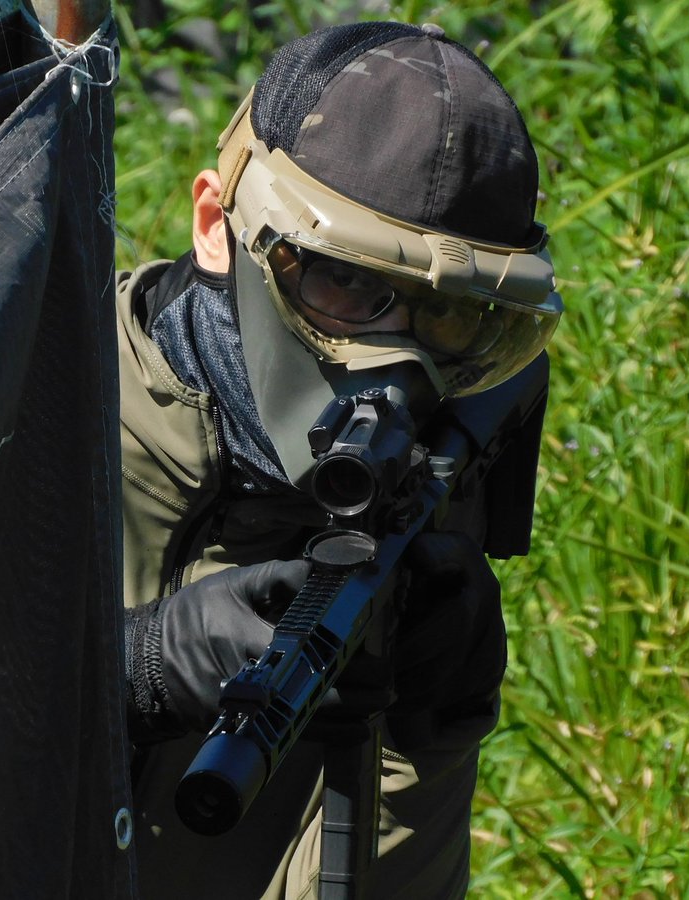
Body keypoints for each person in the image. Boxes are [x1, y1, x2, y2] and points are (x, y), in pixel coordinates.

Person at [115, 20, 562, 899]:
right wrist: (128, 672)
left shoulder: (429, 465)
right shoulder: (23, 414)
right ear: (217, 226)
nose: (398, 365)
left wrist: (425, 747)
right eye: (344, 283)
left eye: (451, 316)